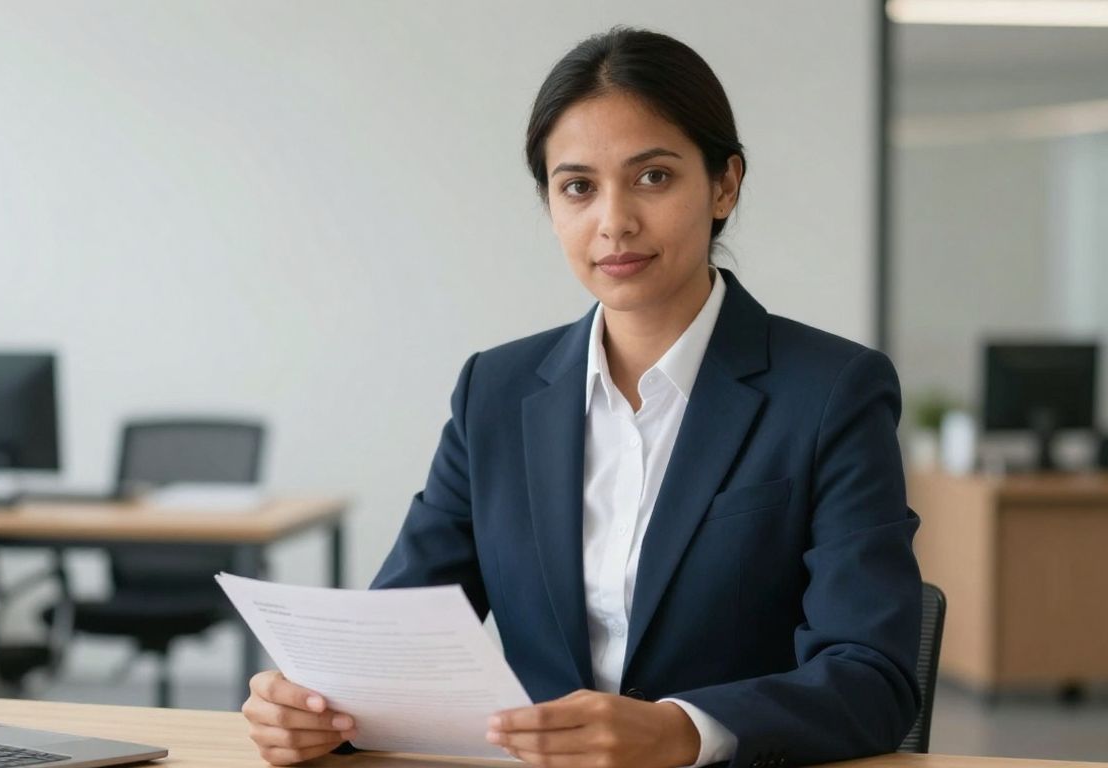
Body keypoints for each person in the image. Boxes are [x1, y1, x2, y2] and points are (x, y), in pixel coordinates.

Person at [241, 26, 921, 768]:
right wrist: (313, 708)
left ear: (724, 183)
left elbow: (873, 677)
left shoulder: (830, 391)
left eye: (653, 177)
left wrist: (681, 731)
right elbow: (397, 643)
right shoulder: (494, 393)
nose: (614, 221)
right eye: (578, 187)